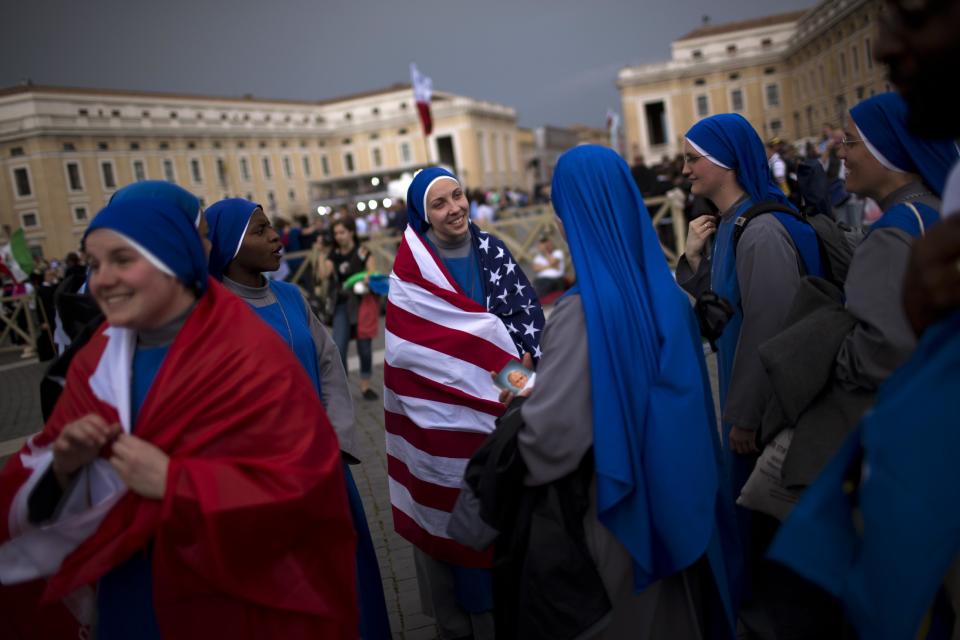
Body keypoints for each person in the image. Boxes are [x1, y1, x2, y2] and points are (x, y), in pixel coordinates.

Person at [0, 195, 357, 639]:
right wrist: (63, 469)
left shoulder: (249, 352)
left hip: (232, 605)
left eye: (121, 260)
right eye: (95, 263)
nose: (99, 281)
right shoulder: (95, 361)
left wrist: (176, 484)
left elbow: (300, 487)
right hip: (132, 601)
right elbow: (32, 499)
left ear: (173, 254)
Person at [456, 145, 739, 639]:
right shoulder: (671, 295)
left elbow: (552, 435)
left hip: (615, 515)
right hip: (678, 497)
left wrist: (520, 401)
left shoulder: (580, 312)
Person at [765, 5, 960, 638]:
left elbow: (884, 348)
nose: (880, 45)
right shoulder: (935, 215)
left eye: (914, 14)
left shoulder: (899, 231)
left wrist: (829, 354)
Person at [204, 197, 390, 639]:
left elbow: (329, 365)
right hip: (272, 483)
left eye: (271, 228)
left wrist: (334, 440)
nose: (276, 238)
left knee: (350, 575)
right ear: (228, 246)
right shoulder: (214, 315)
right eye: (262, 231)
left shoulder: (291, 296)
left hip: (326, 466)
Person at [674, 113, 824, 634]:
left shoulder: (758, 232)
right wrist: (691, 260)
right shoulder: (733, 226)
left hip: (763, 421)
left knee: (764, 545)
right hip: (754, 413)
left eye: (694, 158)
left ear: (728, 163)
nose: (685, 168)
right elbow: (720, 311)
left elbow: (768, 334)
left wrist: (743, 418)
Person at [384, 167, 544, 640]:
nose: (455, 208)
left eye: (458, 196)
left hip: (503, 391)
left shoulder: (491, 249)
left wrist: (520, 374)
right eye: (440, 203)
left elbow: (523, 316)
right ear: (422, 214)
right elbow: (404, 351)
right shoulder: (410, 271)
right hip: (440, 416)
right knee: (451, 512)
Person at [319, 217, 378, 399]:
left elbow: (372, 271)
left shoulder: (362, 252)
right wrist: (321, 253)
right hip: (342, 304)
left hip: (362, 303)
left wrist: (368, 277)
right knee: (339, 347)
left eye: (342, 232)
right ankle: (343, 388)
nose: (338, 236)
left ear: (351, 232)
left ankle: (365, 386)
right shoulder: (333, 254)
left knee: (364, 348)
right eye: (335, 233)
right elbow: (324, 275)